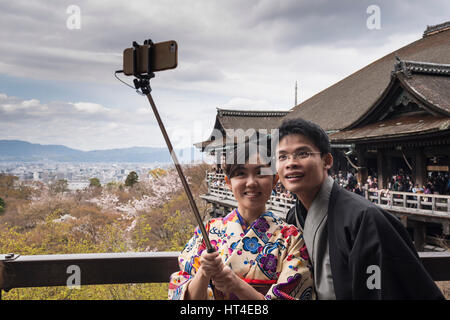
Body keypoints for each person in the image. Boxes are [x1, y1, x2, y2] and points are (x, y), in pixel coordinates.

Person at [276, 118, 444, 300]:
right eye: (282, 156)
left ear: (327, 160)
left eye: (302, 153)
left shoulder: (364, 219)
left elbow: (379, 288)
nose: (290, 163)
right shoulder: (293, 217)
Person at [168, 138, 315, 300]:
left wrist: (236, 285)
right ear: (228, 182)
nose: (251, 182)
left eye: (260, 173)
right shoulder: (208, 233)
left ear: (274, 180)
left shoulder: (291, 238)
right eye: (240, 174)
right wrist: (204, 272)